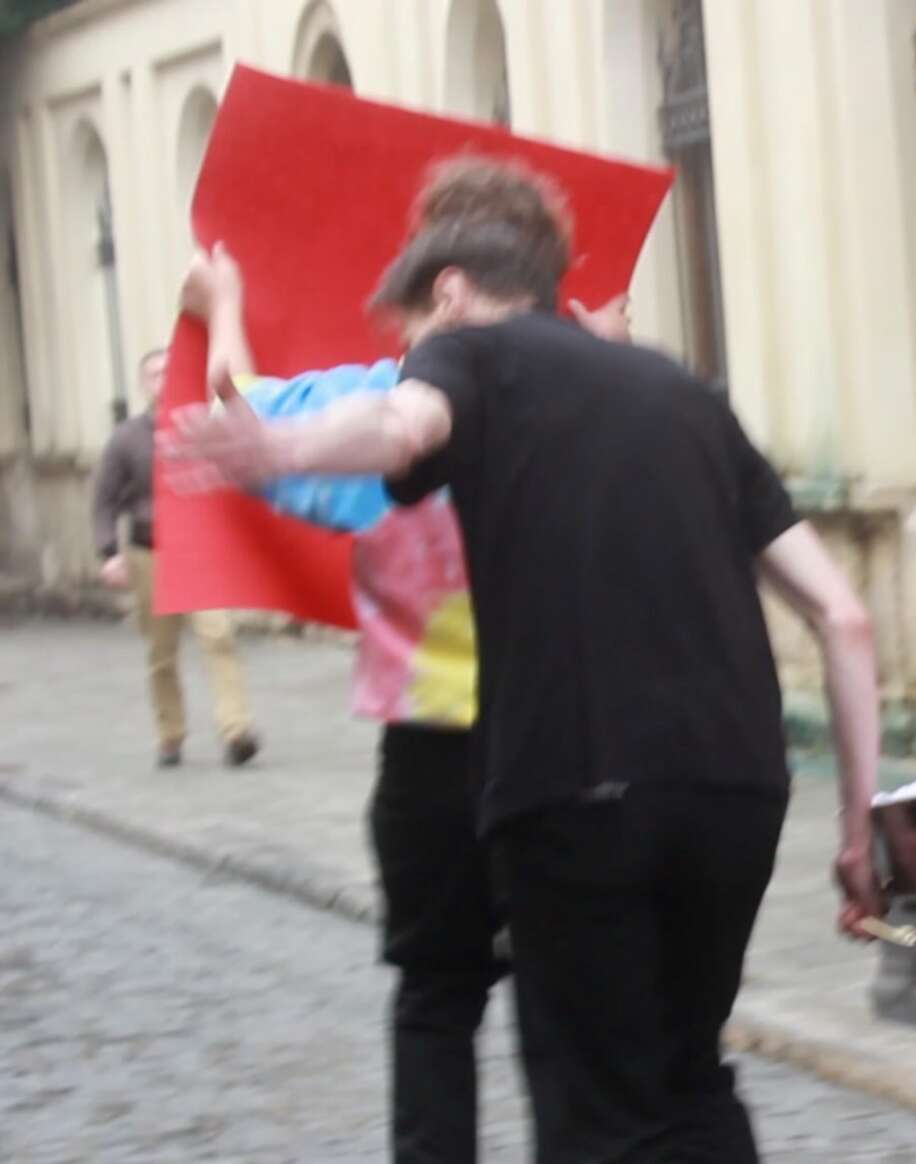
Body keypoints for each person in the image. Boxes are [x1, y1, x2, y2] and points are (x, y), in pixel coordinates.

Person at [166, 156, 885, 1163]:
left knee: (586, 1105)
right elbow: (844, 618)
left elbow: (399, 424)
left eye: (413, 331)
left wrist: (275, 446)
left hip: (570, 778)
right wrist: (860, 833)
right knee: (689, 1082)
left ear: (451, 292)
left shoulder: (464, 357)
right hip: (735, 788)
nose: (410, 355)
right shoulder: (683, 392)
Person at [179, 160, 634, 1164]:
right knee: (569, 1007)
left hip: (432, 756)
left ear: (444, 284)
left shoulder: (377, 405)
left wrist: (225, 307)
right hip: (573, 748)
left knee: (435, 999)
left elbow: (252, 426)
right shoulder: (601, 397)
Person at [90, 347, 260, 769]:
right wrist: (109, 552)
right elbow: (104, 499)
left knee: (218, 635)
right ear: (142, 385)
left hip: (199, 551)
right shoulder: (127, 438)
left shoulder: (203, 426)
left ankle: (236, 731)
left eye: (169, 370)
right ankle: (171, 733)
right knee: (161, 651)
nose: (163, 379)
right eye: (154, 374)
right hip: (150, 553)